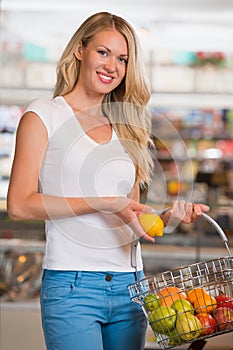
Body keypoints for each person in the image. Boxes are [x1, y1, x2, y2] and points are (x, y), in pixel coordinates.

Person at [7, 12, 209, 350]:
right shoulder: (44, 115)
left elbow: (129, 220)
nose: (112, 65)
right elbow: (19, 204)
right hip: (72, 288)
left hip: (130, 287)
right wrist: (103, 201)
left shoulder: (129, 128)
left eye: (122, 58)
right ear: (80, 50)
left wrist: (169, 217)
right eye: (103, 52)